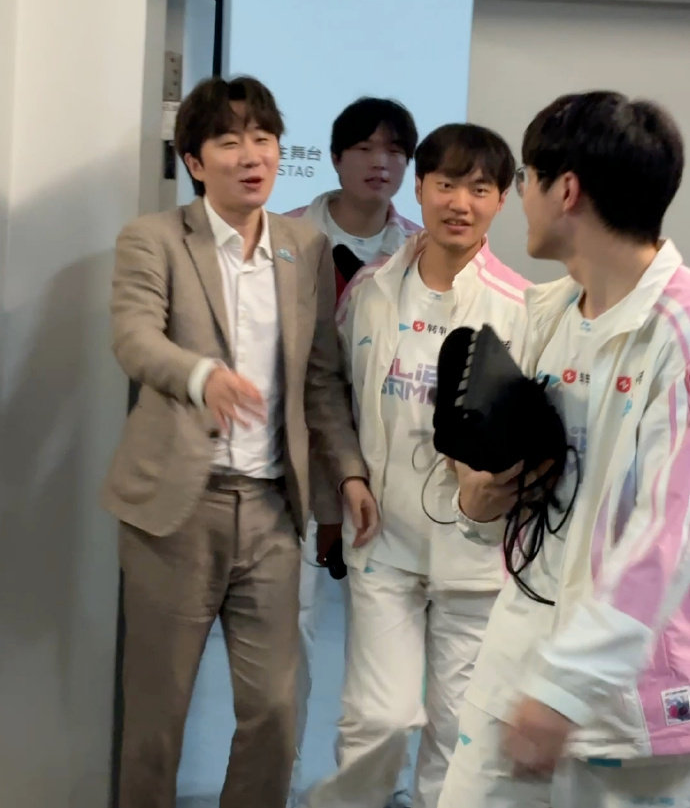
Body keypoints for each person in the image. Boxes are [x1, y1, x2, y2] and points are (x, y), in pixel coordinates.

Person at [102, 75, 379, 808]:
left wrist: (348, 473)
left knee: (276, 711)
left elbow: (320, 379)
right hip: (175, 510)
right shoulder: (154, 239)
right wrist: (200, 376)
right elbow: (134, 338)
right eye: (229, 141)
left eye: (263, 137)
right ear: (195, 161)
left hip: (270, 512)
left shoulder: (304, 247)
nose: (252, 155)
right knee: (158, 717)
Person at [438, 91, 690, 808]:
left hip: (621, 697)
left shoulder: (677, 336)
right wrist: (478, 498)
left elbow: (669, 539)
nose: (520, 196)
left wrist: (564, 688)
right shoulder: (548, 313)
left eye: (525, 178)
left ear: (567, 190)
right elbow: (522, 492)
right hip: (520, 661)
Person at [301, 123, 530, 808]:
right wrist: (342, 488)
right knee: (378, 718)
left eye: (480, 189)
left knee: (460, 731)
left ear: (502, 200)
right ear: (421, 187)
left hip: (476, 555)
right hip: (385, 542)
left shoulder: (524, 309)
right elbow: (333, 392)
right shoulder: (370, 290)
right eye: (447, 184)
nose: (460, 202)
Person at [285, 96, 420, 807]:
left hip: (388, 472)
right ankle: (279, 779)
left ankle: (371, 788)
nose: (380, 162)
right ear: (336, 157)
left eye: (395, 150)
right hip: (296, 462)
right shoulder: (284, 238)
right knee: (291, 636)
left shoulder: (423, 249)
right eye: (365, 147)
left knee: (382, 643)